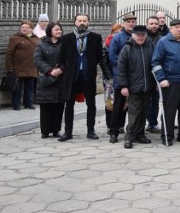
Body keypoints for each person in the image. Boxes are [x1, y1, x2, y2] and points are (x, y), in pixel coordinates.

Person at [59, 13, 110, 141]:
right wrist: (60, 70)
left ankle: (91, 131)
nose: (82, 23)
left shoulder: (96, 38)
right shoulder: (67, 38)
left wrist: (108, 75)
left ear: (88, 22)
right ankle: (68, 132)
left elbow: (100, 58)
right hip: (72, 77)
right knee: (69, 105)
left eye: (84, 21)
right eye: (79, 20)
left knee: (91, 105)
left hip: (88, 76)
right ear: (75, 22)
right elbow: (62, 59)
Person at [116, 25, 156, 149]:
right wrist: (123, 86)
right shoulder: (127, 49)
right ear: (133, 35)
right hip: (133, 86)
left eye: (143, 35)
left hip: (147, 86)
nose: (140, 37)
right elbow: (121, 69)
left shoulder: (150, 47)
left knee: (144, 112)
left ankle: (140, 134)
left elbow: (155, 64)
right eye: (138, 35)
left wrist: (155, 83)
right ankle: (129, 137)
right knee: (134, 113)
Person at [107, 13, 137, 143]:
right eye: (129, 21)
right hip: (121, 76)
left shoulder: (139, 36)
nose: (131, 23)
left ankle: (134, 131)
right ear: (124, 23)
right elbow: (112, 57)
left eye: (133, 21)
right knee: (118, 106)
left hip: (136, 78)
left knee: (134, 106)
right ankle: (114, 131)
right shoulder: (118, 38)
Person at [33, 21, 65, 138]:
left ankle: (56, 130)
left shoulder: (64, 44)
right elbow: (37, 60)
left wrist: (61, 69)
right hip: (46, 79)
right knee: (46, 107)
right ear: (50, 31)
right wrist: (50, 70)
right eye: (56, 29)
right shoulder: (42, 44)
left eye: (60, 29)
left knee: (59, 105)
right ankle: (45, 131)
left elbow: (69, 58)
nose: (59, 31)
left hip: (61, 79)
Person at [5, 20, 40, 110]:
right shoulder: (15, 38)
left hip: (32, 67)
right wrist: (10, 67)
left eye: (27, 27)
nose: (24, 29)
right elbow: (9, 54)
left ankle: (28, 103)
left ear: (31, 29)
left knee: (29, 87)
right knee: (17, 87)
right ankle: (16, 104)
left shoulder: (36, 39)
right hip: (18, 67)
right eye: (23, 27)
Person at [145, 15, 162, 133]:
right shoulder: (142, 37)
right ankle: (144, 122)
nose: (154, 26)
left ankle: (153, 123)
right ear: (147, 25)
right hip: (145, 73)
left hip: (157, 73)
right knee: (145, 101)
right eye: (151, 23)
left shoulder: (162, 39)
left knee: (155, 100)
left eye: (156, 23)